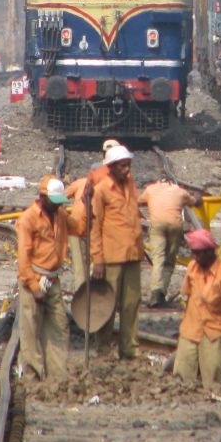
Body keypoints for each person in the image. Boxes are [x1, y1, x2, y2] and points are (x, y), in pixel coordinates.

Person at [16, 176, 84, 381]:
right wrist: (33, 286)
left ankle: (57, 374)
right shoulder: (28, 219)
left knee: (59, 326)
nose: (57, 206)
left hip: (52, 280)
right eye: (54, 202)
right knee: (31, 328)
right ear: (43, 197)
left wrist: (87, 206)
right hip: (34, 277)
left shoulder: (60, 214)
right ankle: (32, 375)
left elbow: (79, 229)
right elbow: (23, 256)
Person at [90, 144, 143, 359]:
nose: (127, 169)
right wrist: (98, 259)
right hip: (111, 257)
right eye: (122, 166)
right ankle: (103, 349)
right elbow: (95, 226)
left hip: (133, 253)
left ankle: (129, 349)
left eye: (128, 165)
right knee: (108, 305)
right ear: (111, 167)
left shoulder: (130, 183)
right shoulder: (101, 190)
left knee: (131, 304)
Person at [173, 228, 221, 387]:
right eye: (194, 253)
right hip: (191, 329)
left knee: (212, 381)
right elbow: (187, 297)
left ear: (210, 251)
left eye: (199, 253)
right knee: (181, 376)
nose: (196, 257)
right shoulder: (192, 267)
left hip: (214, 331)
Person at [67, 139, 123, 291]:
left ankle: (85, 294)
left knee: (81, 267)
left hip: (79, 224)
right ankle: (90, 295)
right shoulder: (107, 185)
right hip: (86, 224)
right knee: (94, 263)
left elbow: (61, 197)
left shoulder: (83, 182)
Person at [138, 177, 202, 308]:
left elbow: (138, 201)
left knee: (158, 259)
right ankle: (162, 292)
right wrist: (196, 196)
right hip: (175, 226)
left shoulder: (150, 189)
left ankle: (155, 292)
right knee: (169, 261)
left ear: (158, 182)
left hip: (157, 225)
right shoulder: (179, 191)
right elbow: (196, 202)